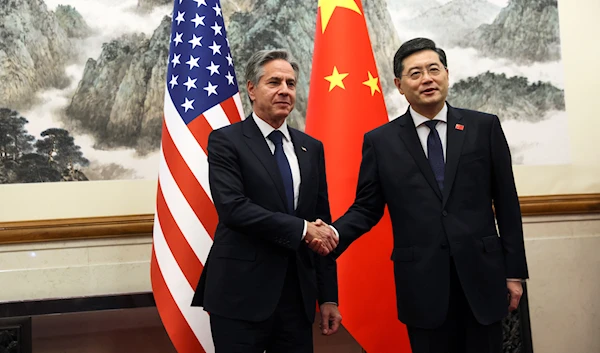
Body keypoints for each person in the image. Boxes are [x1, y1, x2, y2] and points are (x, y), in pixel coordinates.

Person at [324, 38, 529, 353]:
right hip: (422, 284)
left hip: (483, 277)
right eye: (415, 73)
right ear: (400, 85)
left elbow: (506, 203)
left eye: (434, 70)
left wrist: (514, 272)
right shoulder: (381, 142)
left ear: (446, 74)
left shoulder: (483, 127)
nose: (427, 79)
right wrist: (333, 235)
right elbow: (367, 209)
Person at [191, 49, 342, 353]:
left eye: (291, 83)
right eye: (274, 82)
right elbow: (233, 209)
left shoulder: (311, 148)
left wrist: (328, 296)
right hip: (240, 294)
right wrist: (301, 229)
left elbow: (321, 224)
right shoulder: (226, 141)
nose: (285, 90)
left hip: (296, 298)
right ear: (251, 89)